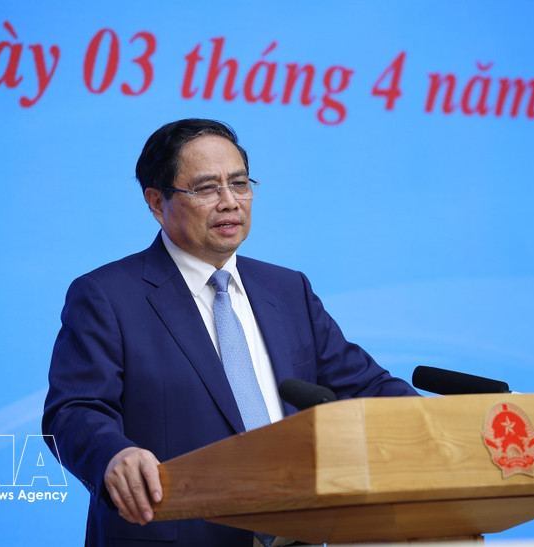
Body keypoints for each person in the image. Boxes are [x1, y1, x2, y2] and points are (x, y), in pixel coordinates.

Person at [42, 118, 417, 546]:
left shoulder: (287, 289)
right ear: (155, 202)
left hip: (302, 534)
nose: (229, 202)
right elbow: (73, 410)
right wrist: (114, 456)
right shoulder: (108, 295)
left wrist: (444, 426)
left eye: (239, 183)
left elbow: (366, 387)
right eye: (206, 188)